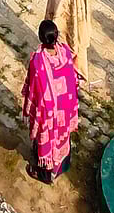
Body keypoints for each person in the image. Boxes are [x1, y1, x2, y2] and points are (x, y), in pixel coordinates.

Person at [22, 20, 79, 184]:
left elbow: (34, 89)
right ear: (56, 37)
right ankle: (62, 165)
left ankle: (45, 175)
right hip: (65, 108)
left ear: (41, 38)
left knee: (46, 141)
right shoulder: (66, 53)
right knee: (62, 138)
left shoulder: (38, 62)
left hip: (48, 113)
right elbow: (72, 80)